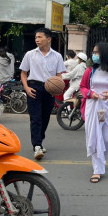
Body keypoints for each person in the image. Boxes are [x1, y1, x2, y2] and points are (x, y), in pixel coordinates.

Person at [79, 42, 108, 183]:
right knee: (95, 136)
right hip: (93, 108)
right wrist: (90, 93)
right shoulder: (90, 71)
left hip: (107, 109)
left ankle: (101, 160)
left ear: (104, 54)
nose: (94, 55)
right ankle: (97, 169)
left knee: (106, 138)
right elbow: (82, 87)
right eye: (93, 52)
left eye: (96, 52)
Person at [20, 27, 66, 160]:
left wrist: (57, 87)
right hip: (34, 87)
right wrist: (27, 88)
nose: (37, 40)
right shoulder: (30, 54)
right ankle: (37, 146)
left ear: (48, 39)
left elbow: (59, 76)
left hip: (49, 89)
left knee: (45, 118)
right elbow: (23, 73)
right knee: (35, 118)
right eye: (36, 37)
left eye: (40, 37)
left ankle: (39, 140)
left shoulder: (57, 56)